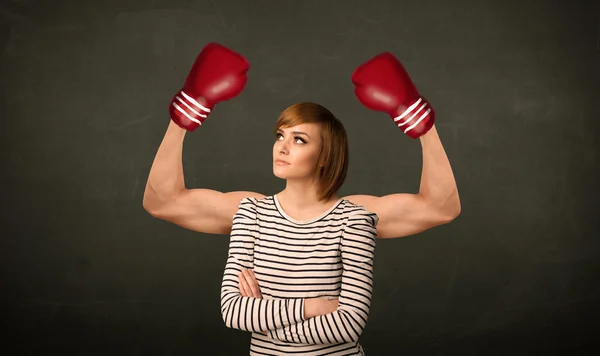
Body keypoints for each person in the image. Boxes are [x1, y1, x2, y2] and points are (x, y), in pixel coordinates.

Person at [142, 43, 461, 355]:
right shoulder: (251, 212)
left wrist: (419, 121)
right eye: (280, 135)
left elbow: (441, 207)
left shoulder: (353, 217)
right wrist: (185, 113)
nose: (282, 146)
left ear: (324, 156)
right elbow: (163, 202)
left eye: (299, 140)